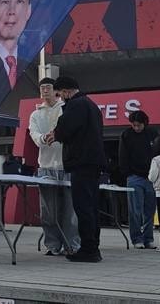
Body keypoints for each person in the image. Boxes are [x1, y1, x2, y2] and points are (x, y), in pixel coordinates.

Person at [50, 76, 106, 263]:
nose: (60, 98)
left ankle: (88, 249)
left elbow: (66, 128)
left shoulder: (77, 105)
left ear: (66, 91)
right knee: (91, 206)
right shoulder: (91, 105)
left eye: (60, 94)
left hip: (81, 162)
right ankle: (93, 246)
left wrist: (55, 134)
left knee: (83, 207)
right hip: (93, 162)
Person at [28, 77, 80, 256]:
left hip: (65, 164)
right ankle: (52, 245)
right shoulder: (35, 114)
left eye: (48, 87)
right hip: (45, 165)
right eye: (42, 88)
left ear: (56, 90)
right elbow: (34, 135)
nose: (45, 91)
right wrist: (43, 138)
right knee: (48, 210)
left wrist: (57, 135)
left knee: (69, 210)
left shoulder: (64, 108)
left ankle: (71, 244)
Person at [119, 110, 159, 249]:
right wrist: (127, 173)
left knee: (150, 210)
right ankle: (136, 238)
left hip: (151, 177)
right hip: (134, 177)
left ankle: (148, 238)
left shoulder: (153, 133)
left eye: (139, 125)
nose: (136, 128)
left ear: (145, 123)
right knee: (134, 210)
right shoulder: (126, 134)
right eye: (134, 125)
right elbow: (122, 155)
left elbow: (158, 153)